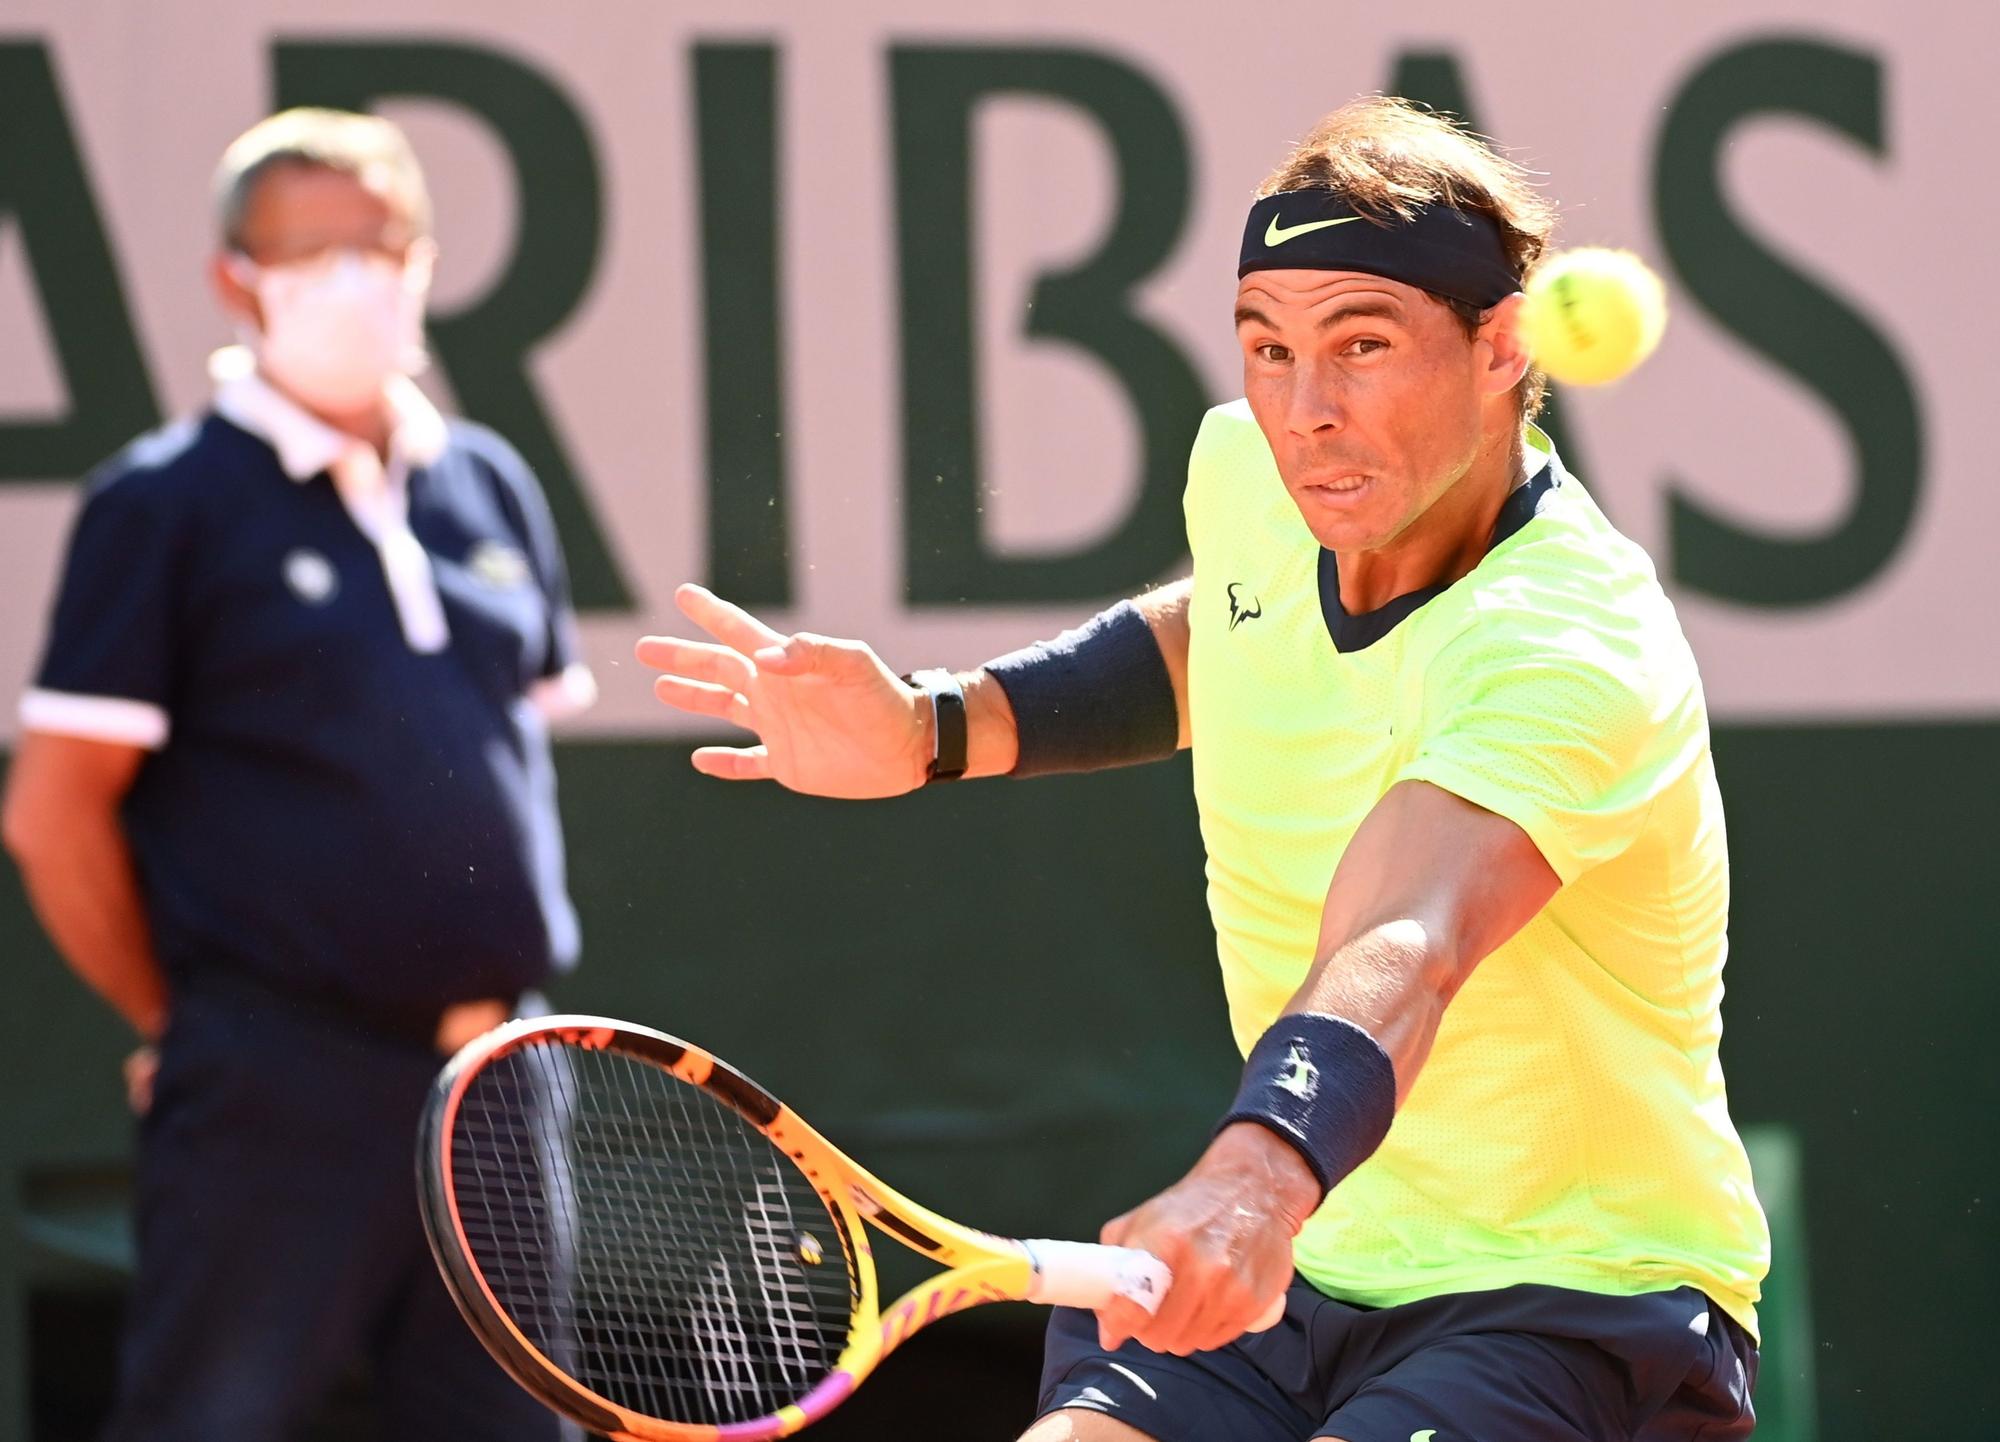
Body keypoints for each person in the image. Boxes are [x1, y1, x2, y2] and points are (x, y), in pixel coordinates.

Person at [636, 97, 1770, 1442]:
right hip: (1304, 1269)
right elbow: (1216, 629)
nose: (1307, 413)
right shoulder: (1250, 470)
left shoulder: (1570, 641)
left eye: (1362, 346)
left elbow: (1408, 934)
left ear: (1501, 347)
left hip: (1569, 1294)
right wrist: (938, 726)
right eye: (1268, 349)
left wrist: (1253, 1179)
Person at [1, 108, 592, 1441]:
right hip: (274, 1088)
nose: (355, 278)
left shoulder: (489, 486)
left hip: (500, 1081)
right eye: (310, 251)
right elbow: (52, 814)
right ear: (236, 277)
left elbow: (502, 766)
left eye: (381, 247)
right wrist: (184, 1015)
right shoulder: (164, 505)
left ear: (426, 261)